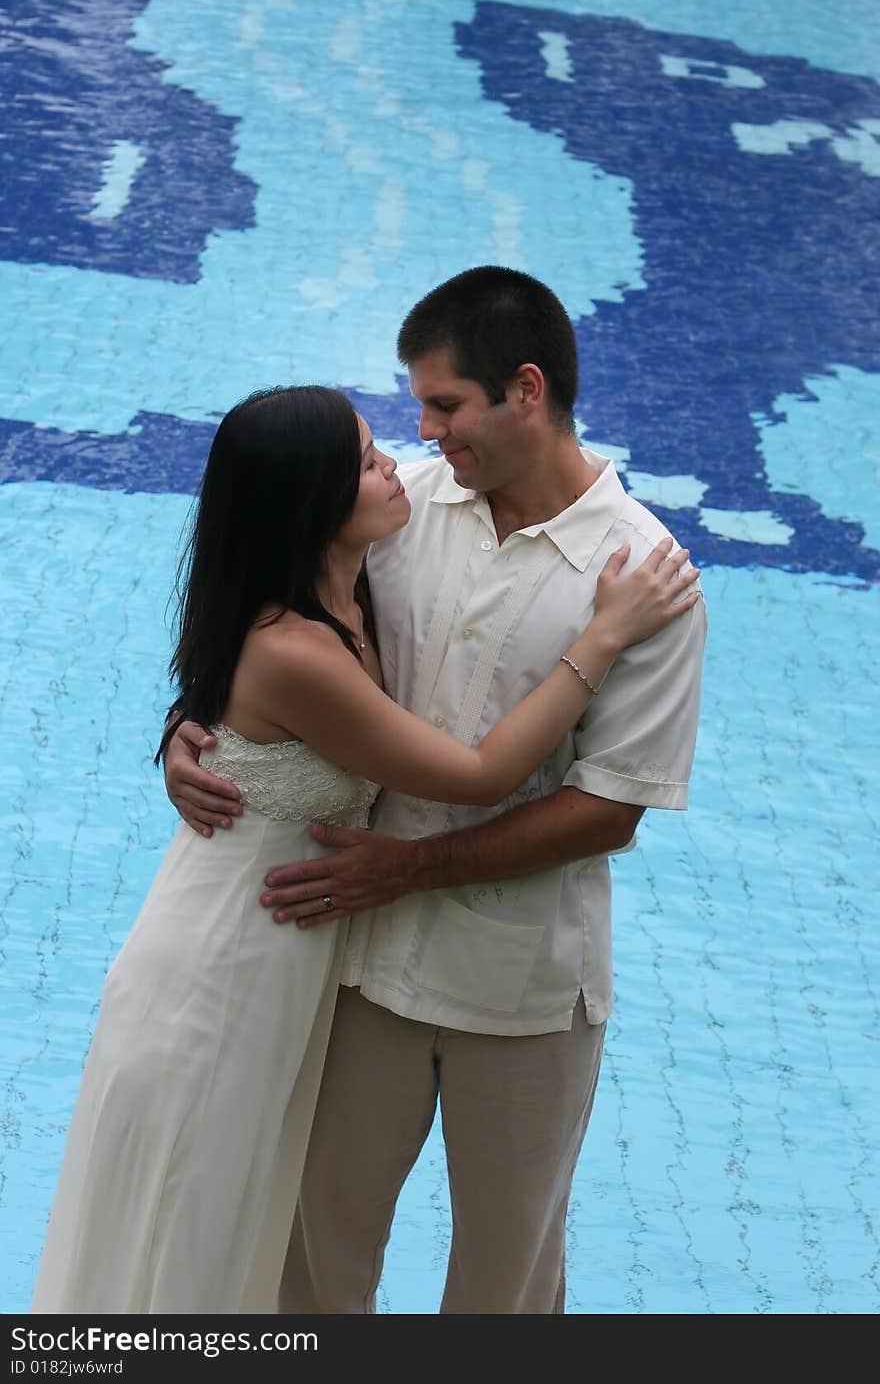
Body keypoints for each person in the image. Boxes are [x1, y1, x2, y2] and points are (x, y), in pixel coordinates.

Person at [30, 382, 695, 1316]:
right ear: (312, 501)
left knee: (244, 1232)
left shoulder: (364, 566)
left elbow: (611, 808)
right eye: (369, 456)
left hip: (302, 966)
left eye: (431, 412)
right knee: (197, 1226)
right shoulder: (298, 642)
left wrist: (197, 717)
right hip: (224, 971)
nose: (404, 458)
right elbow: (475, 773)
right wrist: (603, 635)